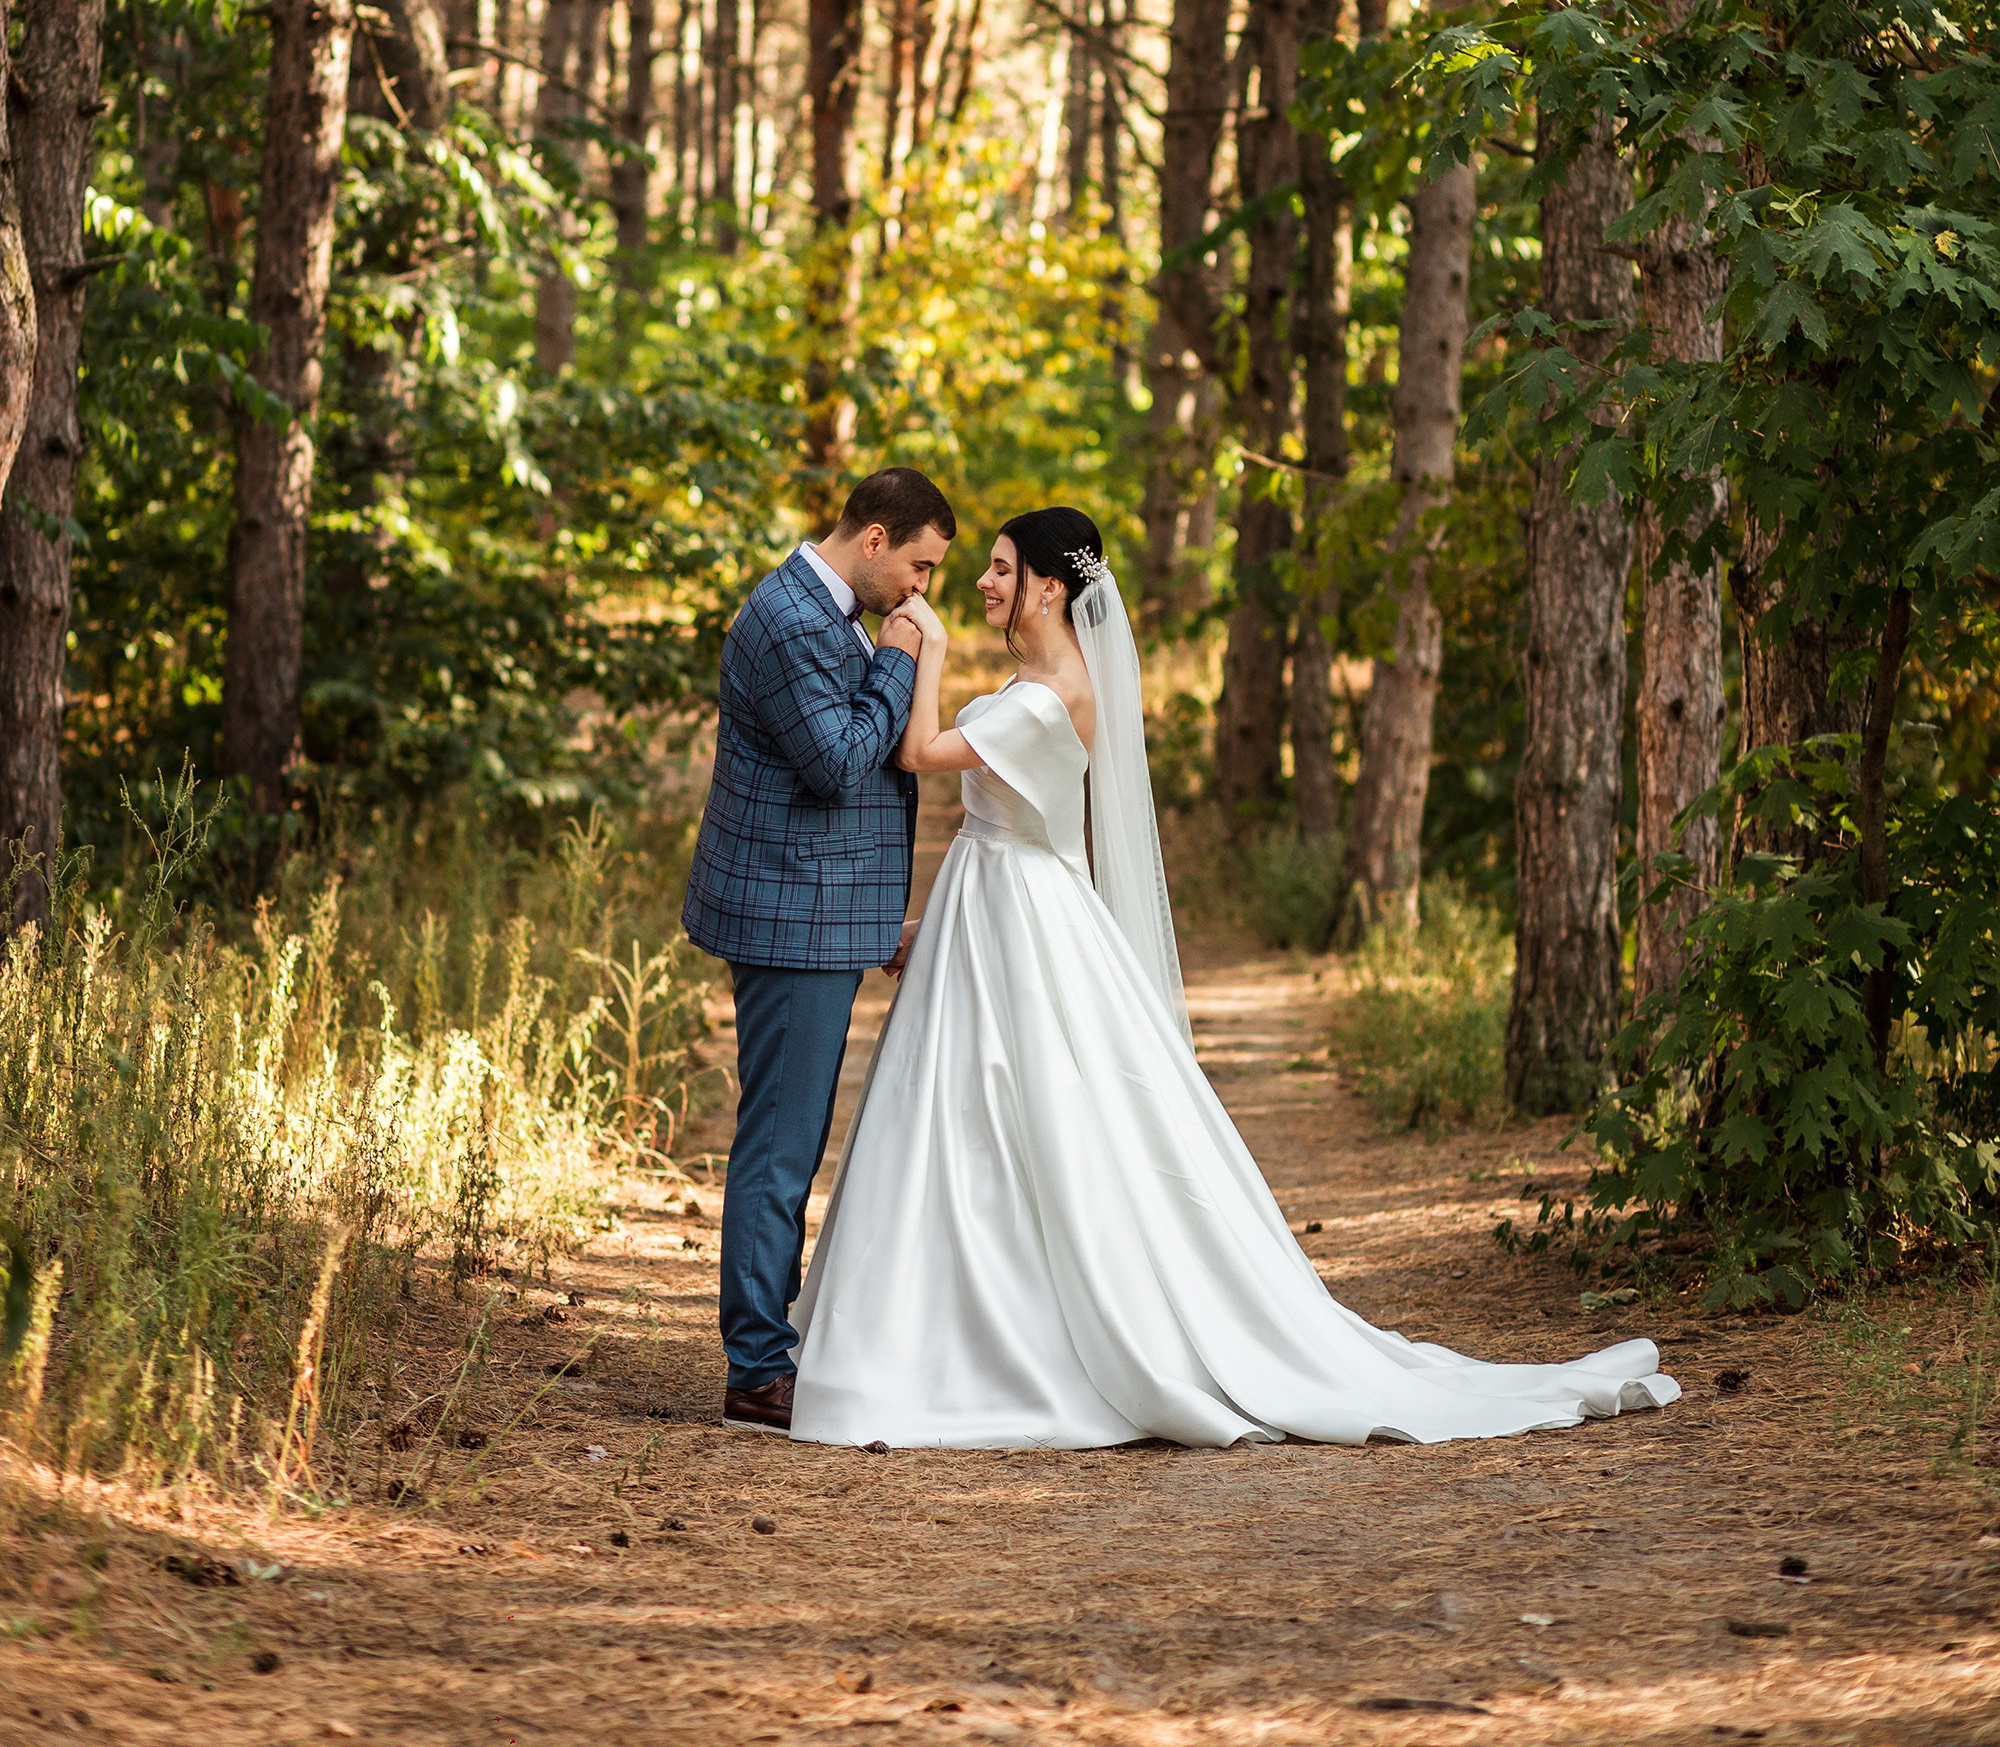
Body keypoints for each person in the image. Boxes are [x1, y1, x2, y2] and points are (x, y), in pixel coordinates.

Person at [788, 505, 1681, 1451]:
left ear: (1051, 585)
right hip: (994, 904)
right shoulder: (1033, 683)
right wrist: (941, 916)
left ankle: (1009, 1343)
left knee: (1030, 1116)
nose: (982, 583)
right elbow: (1024, 826)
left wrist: (917, 652)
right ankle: (955, 1324)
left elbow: (919, 754)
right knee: (969, 1120)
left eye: (1003, 568)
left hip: (1020, 917)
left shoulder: (1055, 695)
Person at [682, 465, 955, 1432]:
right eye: (919, 567)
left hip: (818, 911)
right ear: (874, 540)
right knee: (780, 1145)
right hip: (788, 920)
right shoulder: (793, 617)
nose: (922, 591)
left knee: (790, 1140)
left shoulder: (828, 608)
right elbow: (839, 762)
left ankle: (770, 1349)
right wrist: (901, 662)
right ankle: (757, 1370)